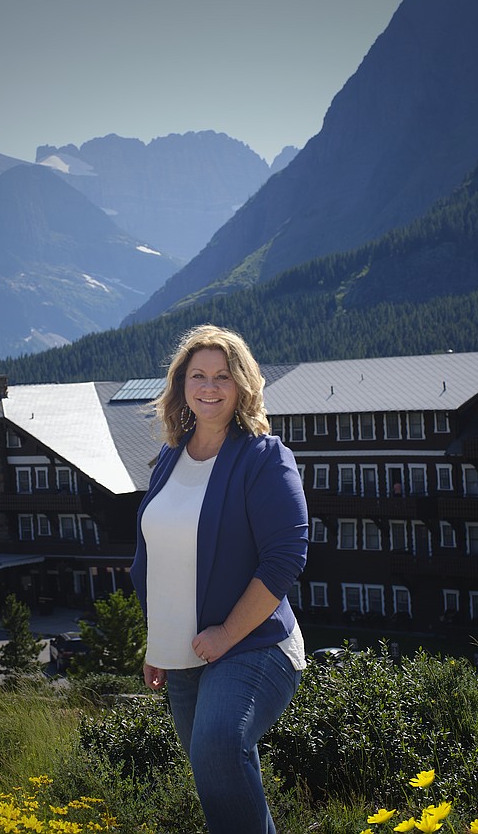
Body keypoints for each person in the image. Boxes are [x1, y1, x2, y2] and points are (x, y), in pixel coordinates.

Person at [131, 324, 309, 834]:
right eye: (198, 375)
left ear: (243, 386)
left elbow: (285, 557)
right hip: (184, 653)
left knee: (218, 744)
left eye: (222, 377)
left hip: (255, 643)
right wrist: (158, 644)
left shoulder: (263, 457)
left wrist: (227, 634)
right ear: (181, 385)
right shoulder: (169, 457)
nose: (209, 387)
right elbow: (158, 555)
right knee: (216, 774)